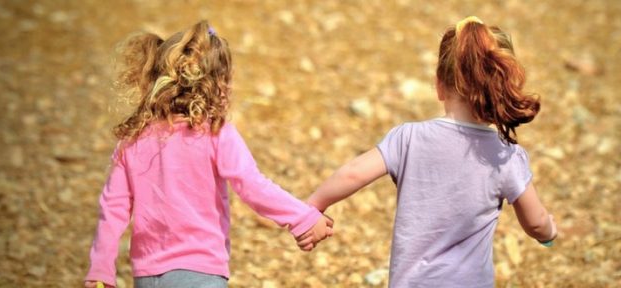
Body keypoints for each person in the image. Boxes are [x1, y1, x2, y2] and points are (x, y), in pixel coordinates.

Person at [302, 16, 558, 287]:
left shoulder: (408, 138)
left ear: (439, 85)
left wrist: (311, 208)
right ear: (501, 88)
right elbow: (536, 222)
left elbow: (353, 174)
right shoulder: (505, 156)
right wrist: (549, 233)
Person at [84, 20, 332, 288]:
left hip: (147, 277)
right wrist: (303, 218)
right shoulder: (216, 132)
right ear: (218, 85)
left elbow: (113, 208)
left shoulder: (133, 138)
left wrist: (101, 269)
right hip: (200, 272)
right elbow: (251, 185)